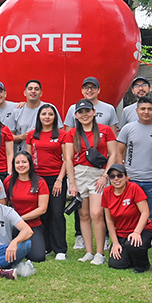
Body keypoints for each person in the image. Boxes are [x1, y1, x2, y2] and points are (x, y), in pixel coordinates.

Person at [63, 100, 118, 265]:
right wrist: (72, 182)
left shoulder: (105, 130)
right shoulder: (72, 133)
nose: (84, 115)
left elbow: (113, 154)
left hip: (98, 174)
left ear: (94, 112)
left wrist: (105, 176)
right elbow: (68, 159)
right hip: (79, 174)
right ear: (76, 115)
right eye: (81, 112)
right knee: (84, 214)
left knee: (96, 213)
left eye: (87, 111)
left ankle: (100, 253)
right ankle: (89, 251)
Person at [26, 104, 69, 259]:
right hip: (38, 179)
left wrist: (60, 179)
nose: (47, 117)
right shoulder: (32, 135)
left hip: (56, 179)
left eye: (50, 114)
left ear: (55, 117)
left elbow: (67, 159)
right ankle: (46, 246)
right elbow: (29, 159)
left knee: (56, 213)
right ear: (39, 116)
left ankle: (60, 249)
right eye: (44, 114)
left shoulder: (62, 135)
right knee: (43, 213)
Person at [100, 163, 152, 273]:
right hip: (121, 233)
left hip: (142, 230)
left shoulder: (134, 188)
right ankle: (130, 255)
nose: (116, 179)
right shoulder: (106, 192)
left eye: (119, 175)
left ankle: (143, 265)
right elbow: (109, 220)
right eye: (112, 176)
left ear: (126, 177)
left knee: (133, 244)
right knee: (116, 264)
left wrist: (137, 232)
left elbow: (145, 212)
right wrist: (115, 243)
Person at [116, 97, 152, 214]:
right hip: (131, 179)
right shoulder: (128, 128)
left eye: (150, 109)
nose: (146, 112)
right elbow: (118, 152)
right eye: (143, 109)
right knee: (130, 214)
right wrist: (123, 173)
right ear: (137, 111)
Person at [4, 151, 49, 264]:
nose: (21, 165)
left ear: (30, 164)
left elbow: (42, 208)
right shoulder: (8, 181)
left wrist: (20, 219)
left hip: (33, 224)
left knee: (38, 257)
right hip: (12, 225)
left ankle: (24, 246)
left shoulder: (40, 182)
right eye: (17, 162)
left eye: (24, 162)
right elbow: (3, 204)